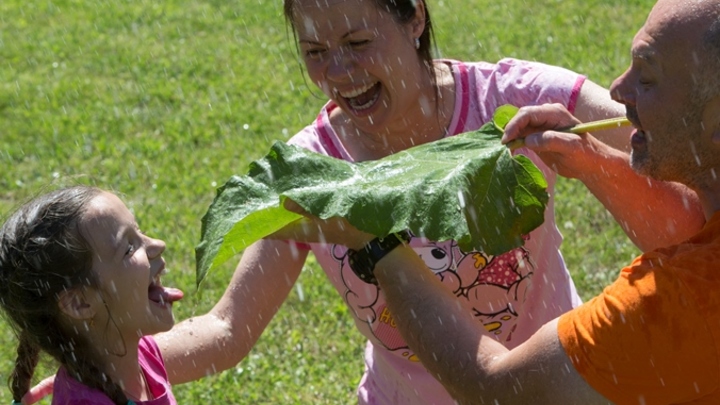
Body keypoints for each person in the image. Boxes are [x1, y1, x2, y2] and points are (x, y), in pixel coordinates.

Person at [18, 0, 707, 403]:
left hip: (542, 389)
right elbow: (230, 328)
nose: (338, 73)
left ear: (414, 19)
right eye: (315, 52)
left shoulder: (516, 100)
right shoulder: (313, 170)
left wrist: (591, 164)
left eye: (356, 42)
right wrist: (108, 365)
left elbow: (689, 219)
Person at [283, 0, 720, 402]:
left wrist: (376, 243)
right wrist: (593, 161)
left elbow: (495, 388)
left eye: (647, 78)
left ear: (415, 17)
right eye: (314, 51)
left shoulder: (678, 298)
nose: (618, 91)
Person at [0, 186, 184, 404]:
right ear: (80, 303)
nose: (158, 244)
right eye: (128, 248)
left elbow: (225, 329)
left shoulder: (137, 356)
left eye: (140, 231)